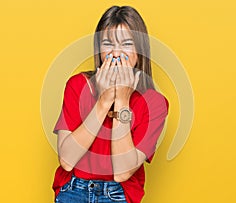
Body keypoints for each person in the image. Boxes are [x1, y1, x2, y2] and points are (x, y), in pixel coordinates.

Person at [52, 5, 169, 203]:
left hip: (118, 194)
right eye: (108, 43)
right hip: (73, 188)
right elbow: (66, 160)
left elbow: (123, 172)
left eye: (126, 44)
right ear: (99, 50)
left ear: (140, 51)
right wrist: (104, 100)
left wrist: (122, 100)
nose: (116, 53)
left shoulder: (154, 103)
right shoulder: (78, 86)